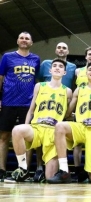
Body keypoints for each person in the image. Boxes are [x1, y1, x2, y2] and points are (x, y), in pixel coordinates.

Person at [3, 58, 72, 182]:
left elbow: (67, 114)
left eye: (60, 67)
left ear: (64, 73)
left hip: (53, 132)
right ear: (50, 70)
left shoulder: (67, 91)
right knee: (18, 130)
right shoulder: (39, 86)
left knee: (50, 178)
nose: (57, 68)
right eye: (54, 66)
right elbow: (31, 109)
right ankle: (23, 169)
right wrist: (26, 125)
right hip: (37, 127)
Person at [47, 62, 91, 183]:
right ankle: (64, 170)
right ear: (86, 73)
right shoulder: (79, 89)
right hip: (80, 127)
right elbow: (68, 112)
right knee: (60, 126)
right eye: (90, 69)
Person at [31, 42, 76, 182]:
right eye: (59, 47)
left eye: (64, 47)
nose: (61, 49)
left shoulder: (73, 68)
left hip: (59, 109)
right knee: (29, 135)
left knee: (50, 178)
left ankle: (60, 171)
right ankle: (37, 167)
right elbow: (38, 80)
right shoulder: (45, 65)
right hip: (43, 111)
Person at [0, 31, 40, 181]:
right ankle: (2, 170)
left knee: (28, 139)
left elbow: (36, 81)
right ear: (17, 41)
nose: (24, 40)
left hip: (27, 104)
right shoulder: (7, 57)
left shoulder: (36, 59)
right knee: (4, 136)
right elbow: (0, 78)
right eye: (22, 38)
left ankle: (24, 171)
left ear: (31, 42)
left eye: (27, 38)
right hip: (8, 102)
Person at [73, 46, 91, 181]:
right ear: (85, 57)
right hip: (81, 109)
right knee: (77, 143)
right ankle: (77, 170)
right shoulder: (78, 71)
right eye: (89, 54)